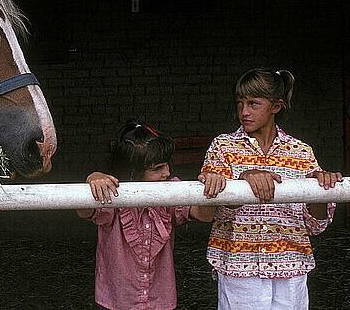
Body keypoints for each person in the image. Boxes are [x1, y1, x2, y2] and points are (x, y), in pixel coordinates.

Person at [201, 67, 343, 310]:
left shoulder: (301, 152)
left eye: (254, 103)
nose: (244, 112)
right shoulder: (222, 147)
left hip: (291, 265)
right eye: (240, 103)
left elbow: (315, 225)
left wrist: (319, 188)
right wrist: (244, 179)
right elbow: (210, 211)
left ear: (276, 107)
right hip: (239, 265)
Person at [77, 119, 226, 310]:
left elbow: (203, 215)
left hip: (159, 299)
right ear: (131, 172)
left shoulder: (171, 189)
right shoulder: (114, 194)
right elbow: (84, 211)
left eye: (167, 165)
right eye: (157, 168)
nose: (167, 172)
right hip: (117, 301)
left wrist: (210, 189)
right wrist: (92, 180)